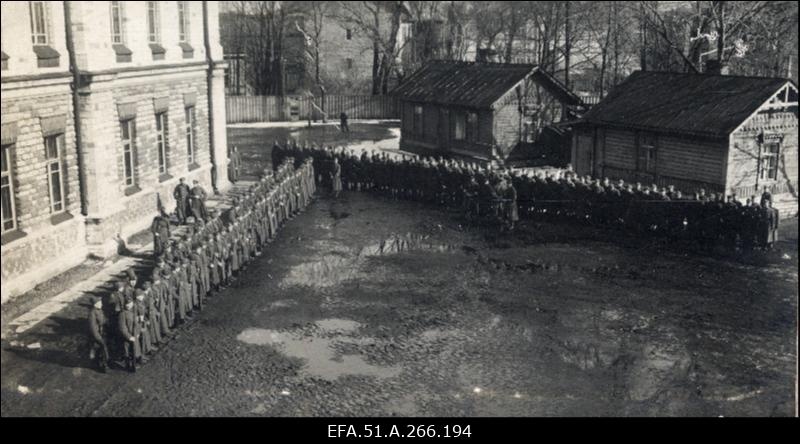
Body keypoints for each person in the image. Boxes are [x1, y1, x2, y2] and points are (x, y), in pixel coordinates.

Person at [118, 299, 141, 372]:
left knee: (134, 349)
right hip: (127, 336)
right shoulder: (122, 314)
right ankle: (129, 366)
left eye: (130, 304)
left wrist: (137, 333)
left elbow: (137, 323)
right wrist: (129, 337)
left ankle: (134, 364)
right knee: (127, 351)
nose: (129, 305)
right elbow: (122, 328)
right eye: (127, 304)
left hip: (134, 334)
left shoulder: (133, 311)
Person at [88, 297, 109, 373]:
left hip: (102, 333)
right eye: (100, 303)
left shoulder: (99, 310)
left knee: (100, 349)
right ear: (95, 304)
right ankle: (103, 365)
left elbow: (103, 320)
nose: (102, 304)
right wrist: (98, 338)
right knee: (102, 347)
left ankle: (101, 363)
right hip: (96, 335)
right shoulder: (92, 313)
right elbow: (93, 328)